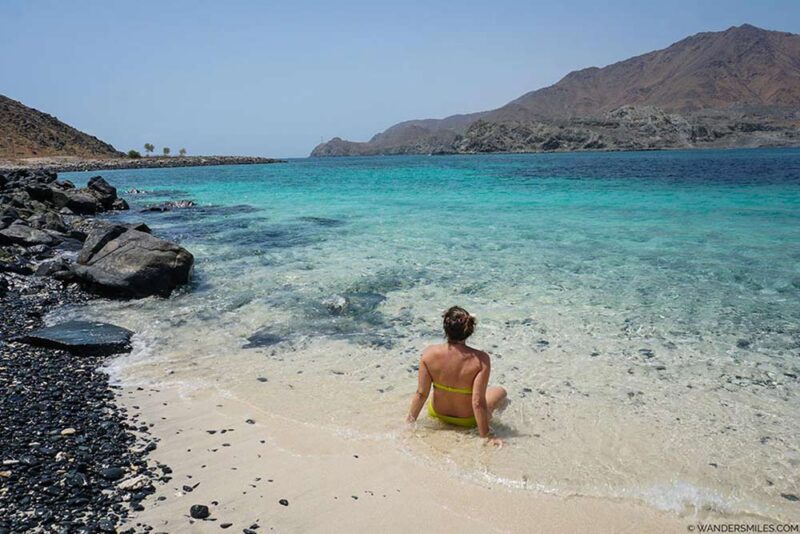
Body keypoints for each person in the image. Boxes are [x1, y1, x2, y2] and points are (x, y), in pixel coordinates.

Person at [406, 306, 507, 446]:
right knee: (501, 391)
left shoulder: (429, 354)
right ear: (469, 330)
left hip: (437, 413)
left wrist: (410, 422)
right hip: (467, 419)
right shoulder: (481, 359)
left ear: (445, 328)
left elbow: (421, 394)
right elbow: (477, 402)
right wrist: (486, 435)